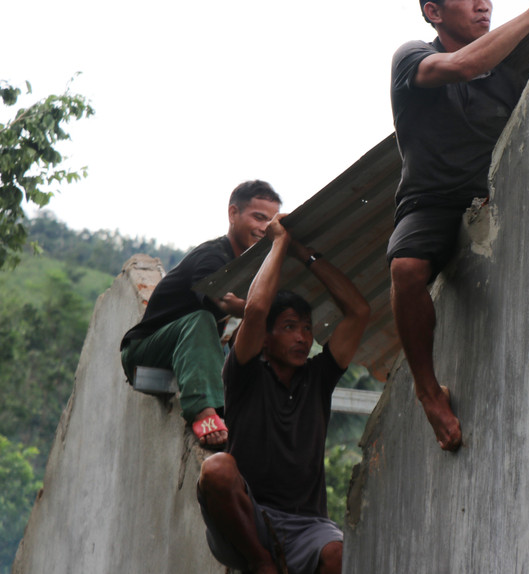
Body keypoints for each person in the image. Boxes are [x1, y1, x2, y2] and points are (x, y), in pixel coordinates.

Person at [387, 0, 529, 451]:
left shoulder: (506, 74)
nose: (482, 4)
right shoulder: (413, 57)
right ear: (434, 11)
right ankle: (428, 392)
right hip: (430, 200)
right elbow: (463, 65)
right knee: (406, 267)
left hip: (492, 195)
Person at [196, 214, 370, 574]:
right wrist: (279, 243)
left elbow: (359, 311)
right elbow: (257, 309)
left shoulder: (318, 377)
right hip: (248, 519)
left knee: (339, 556)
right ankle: (262, 564)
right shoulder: (245, 374)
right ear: (265, 338)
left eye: (306, 328)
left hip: (307, 524)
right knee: (217, 469)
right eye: (290, 327)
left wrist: (304, 253)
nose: (302, 337)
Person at [120, 180, 282, 449]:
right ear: (233, 214)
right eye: (258, 217)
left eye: (271, 221)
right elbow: (223, 301)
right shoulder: (212, 256)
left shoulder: (253, 269)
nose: (264, 227)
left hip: (191, 356)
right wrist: (261, 310)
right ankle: (203, 412)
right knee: (202, 319)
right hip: (145, 350)